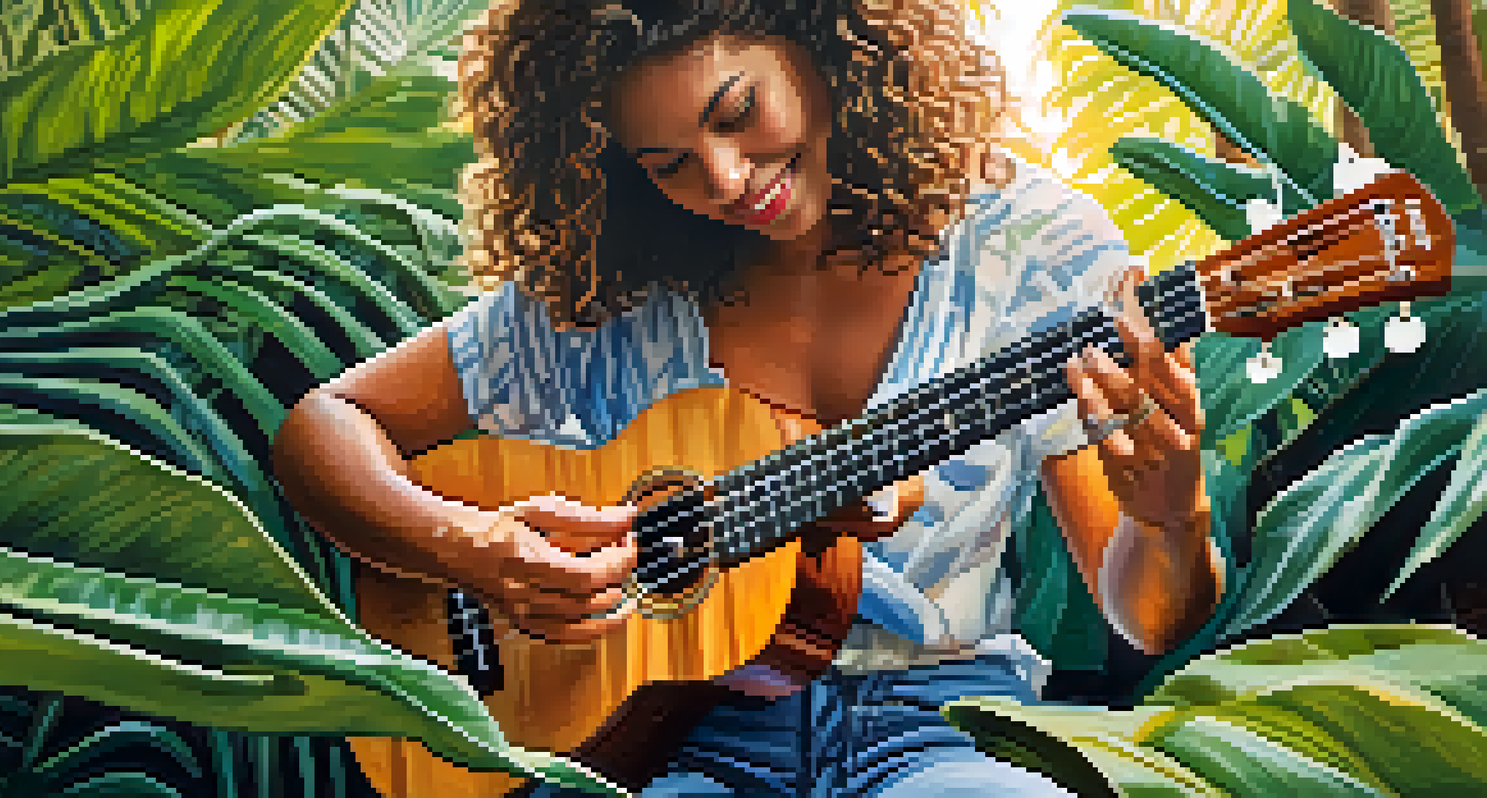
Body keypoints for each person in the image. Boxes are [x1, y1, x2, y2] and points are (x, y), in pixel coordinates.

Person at [272, 0, 1224, 795]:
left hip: (941, 728)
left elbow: (1148, 620)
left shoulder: (1030, 246)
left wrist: (1171, 515)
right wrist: (470, 549)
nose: (724, 180)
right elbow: (324, 427)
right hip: (667, 748)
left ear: (821, 45)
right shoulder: (609, 280)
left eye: (738, 112)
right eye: (667, 163)